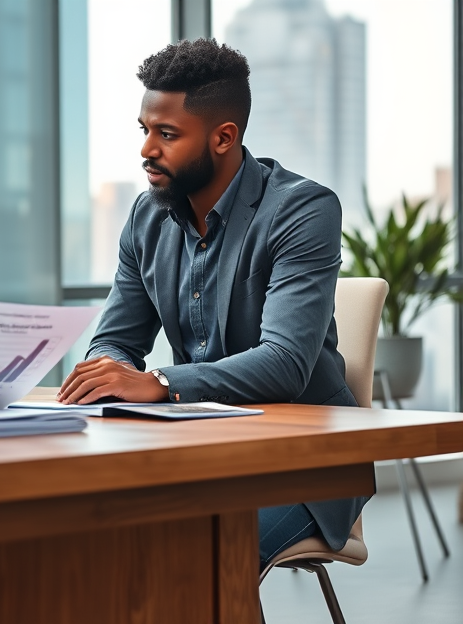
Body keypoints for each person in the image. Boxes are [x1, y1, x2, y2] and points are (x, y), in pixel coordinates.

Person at [57, 39, 367, 570]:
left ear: (224, 137)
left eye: (167, 134)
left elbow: (285, 363)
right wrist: (110, 372)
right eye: (144, 130)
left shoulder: (302, 209)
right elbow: (115, 339)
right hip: (199, 456)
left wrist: (158, 382)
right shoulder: (146, 218)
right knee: (76, 531)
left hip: (303, 466)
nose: (146, 149)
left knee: (190, 554)